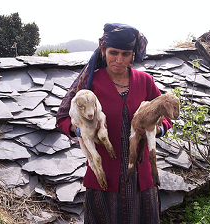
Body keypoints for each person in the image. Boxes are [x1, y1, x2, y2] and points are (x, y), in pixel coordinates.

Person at [56, 23, 172, 224]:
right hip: (105, 177)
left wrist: (159, 129)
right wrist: (79, 130)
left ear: (133, 55)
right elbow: (63, 117)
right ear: (103, 50)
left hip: (140, 177)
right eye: (113, 53)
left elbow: (166, 113)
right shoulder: (90, 83)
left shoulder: (145, 81)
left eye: (126, 54)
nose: (119, 60)